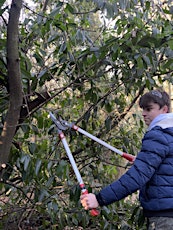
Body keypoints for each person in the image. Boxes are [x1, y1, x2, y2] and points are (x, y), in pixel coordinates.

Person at [80, 89, 173, 230]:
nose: (143, 114)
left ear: (164, 109)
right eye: (143, 109)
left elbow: (137, 177)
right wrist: (144, 161)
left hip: (164, 218)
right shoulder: (169, 133)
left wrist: (99, 199)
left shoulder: (158, 134)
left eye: (149, 109)